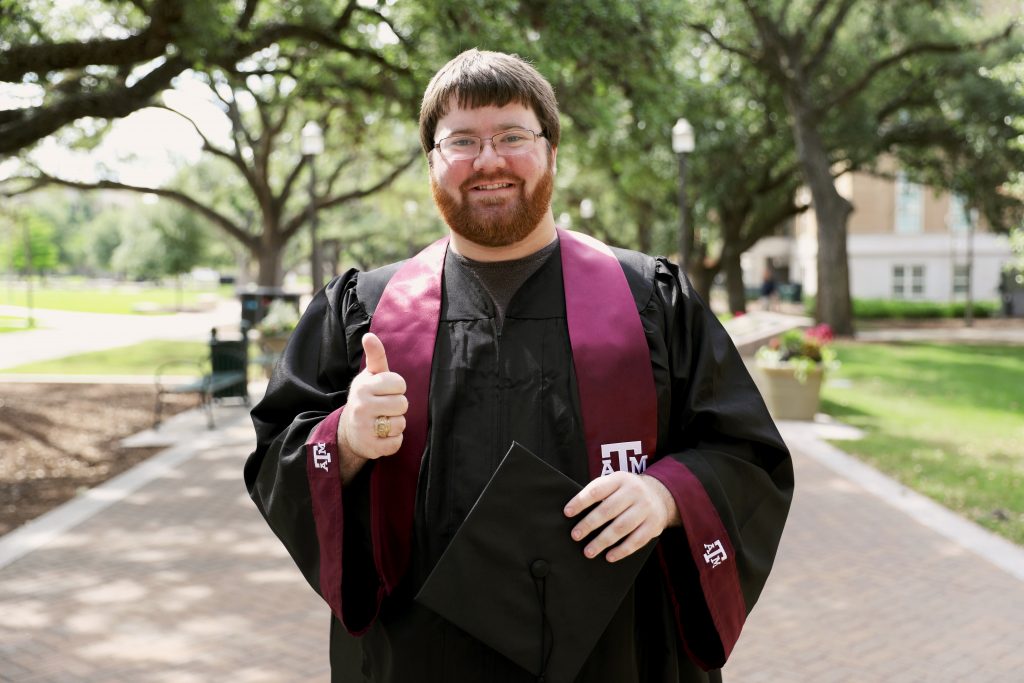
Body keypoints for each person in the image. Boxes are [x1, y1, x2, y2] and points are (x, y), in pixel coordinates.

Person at [245, 49, 793, 683]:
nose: (489, 160)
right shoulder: (365, 311)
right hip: (420, 657)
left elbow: (744, 451)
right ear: (432, 164)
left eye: (512, 136)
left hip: (618, 651)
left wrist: (667, 495)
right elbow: (276, 454)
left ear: (552, 153)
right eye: (462, 141)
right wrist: (342, 439)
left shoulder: (652, 298)